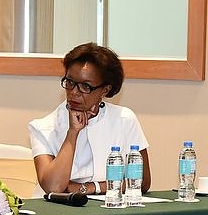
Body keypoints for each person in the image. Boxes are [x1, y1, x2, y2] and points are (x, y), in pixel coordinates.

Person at [29, 42, 152, 196]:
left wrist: (90, 187)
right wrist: (73, 132)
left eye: (85, 86)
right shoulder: (43, 127)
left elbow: (142, 181)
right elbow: (53, 187)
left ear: (105, 90)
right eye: (70, 82)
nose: (74, 92)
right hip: (56, 208)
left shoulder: (124, 119)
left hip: (108, 206)